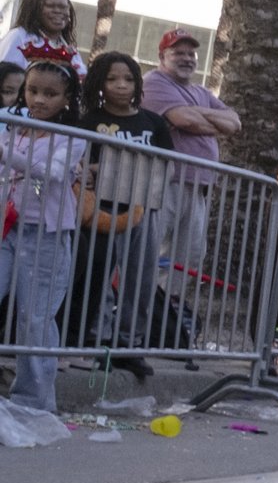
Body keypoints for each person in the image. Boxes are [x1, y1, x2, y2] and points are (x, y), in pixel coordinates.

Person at [67, 51, 175, 363]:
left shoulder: (153, 122)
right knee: (101, 276)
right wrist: (91, 172)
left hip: (145, 208)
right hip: (101, 211)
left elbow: (169, 164)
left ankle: (130, 341)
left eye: (128, 78)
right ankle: (97, 335)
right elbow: (79, 162)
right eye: (112, 78)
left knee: (141, 278)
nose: (120, 85)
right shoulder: (89, 122)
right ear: (99, 83)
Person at [0, 62, 88, 411]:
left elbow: (52, 172)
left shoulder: (74, 136)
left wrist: (7, 155)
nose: (38, 99)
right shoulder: (12, 127)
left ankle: (33, 403)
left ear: (67, 98)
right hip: (6, 228)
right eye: (32, 90)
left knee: (35, 318)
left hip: (45, 236)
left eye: (50, 94)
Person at [142, 29, 240, 316]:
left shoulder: (199, 91)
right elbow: (184, 120)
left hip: (197, 186)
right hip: (165, 183)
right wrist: (206, 119)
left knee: (189, 256)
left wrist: (198, 114)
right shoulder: (155, 82)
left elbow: (234, 123)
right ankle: (139, 312)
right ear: (162, 56)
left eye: (191, 53)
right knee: (151, 252)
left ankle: (163, 314)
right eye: (178, 53)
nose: (186, 58)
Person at [2, 0, 86, 81]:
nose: (58, 11)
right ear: (34, 9)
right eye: (51, 6)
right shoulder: (18, 37)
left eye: (63, 7)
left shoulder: (69, 48)